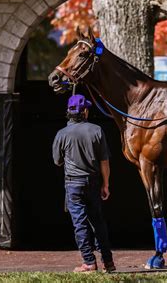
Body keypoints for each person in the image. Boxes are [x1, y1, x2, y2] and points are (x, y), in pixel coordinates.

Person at [52, 94, 115, 273]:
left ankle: (88, 262)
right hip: (94, 182)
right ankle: (108, 262)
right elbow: (104, 161)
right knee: (98, 222)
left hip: (73, 184)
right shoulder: (96, 130)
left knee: (80, 223)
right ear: (85, 111)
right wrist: (106, 184)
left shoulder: (61, 134)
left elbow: (57, 161)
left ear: (69, 112)